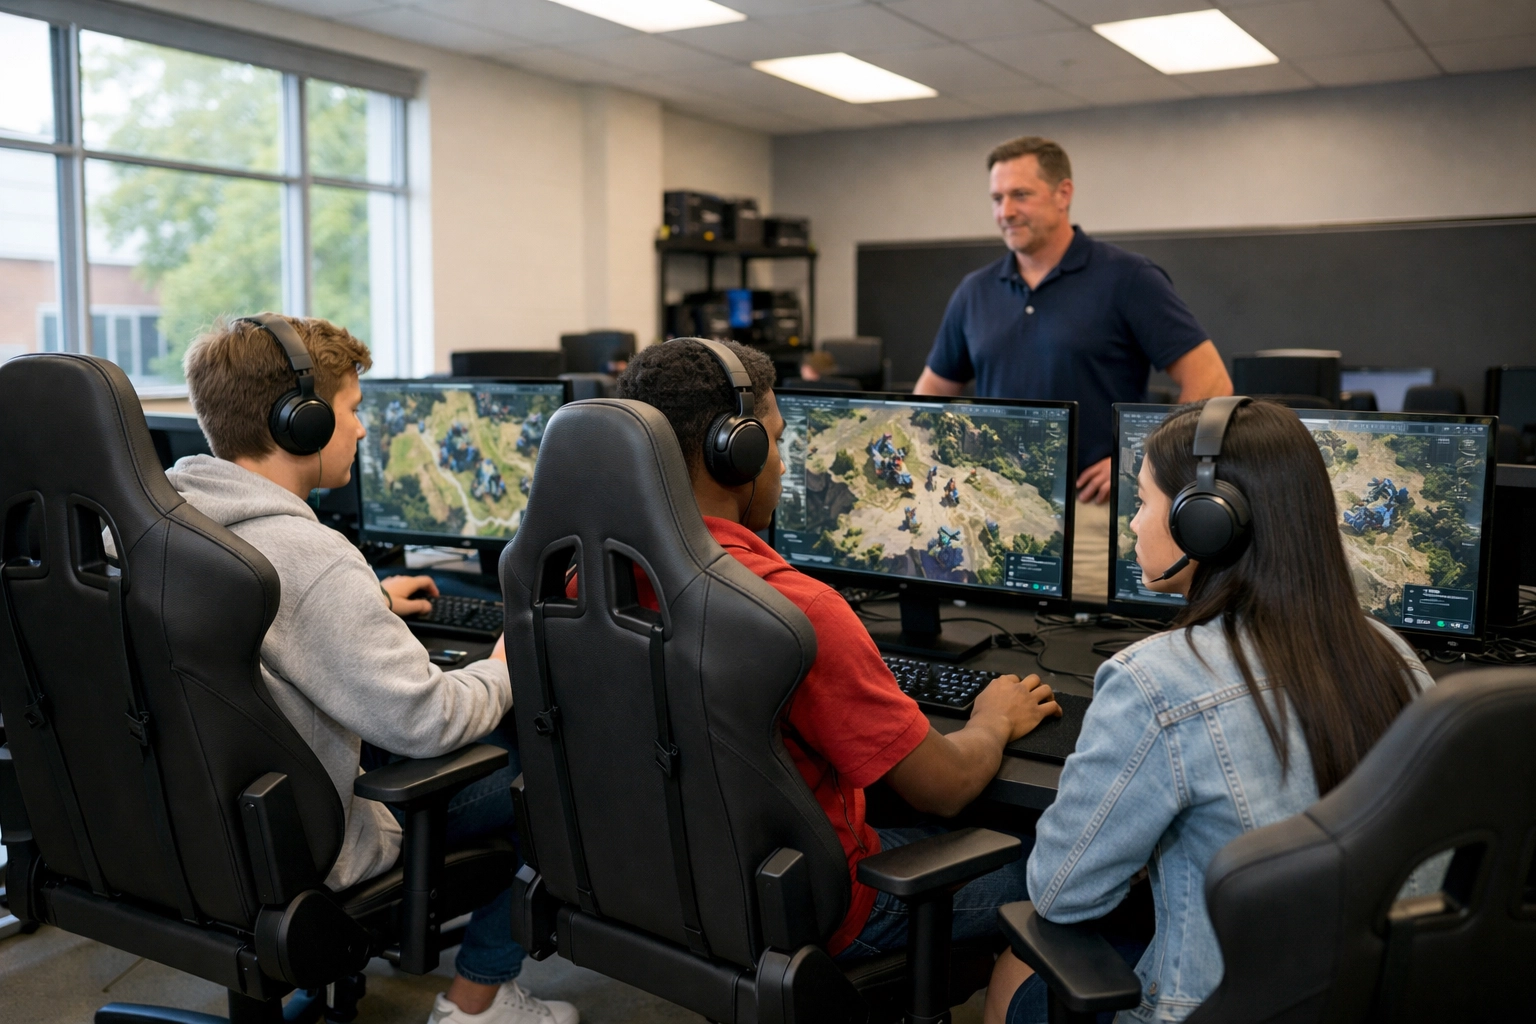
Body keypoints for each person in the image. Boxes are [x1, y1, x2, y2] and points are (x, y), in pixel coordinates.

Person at [613, 338, 1060, 989]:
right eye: (775, 440)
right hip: (821, 909)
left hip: (666, 886)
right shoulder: (793, 612)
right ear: (735, 453)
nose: (781, 461)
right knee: (1054, 870)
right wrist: (993, 718)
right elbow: (945, 786)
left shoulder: (585, 579)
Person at [176, 315, 576, 1024]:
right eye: (352, 410)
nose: (361, 430)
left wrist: (368, 601)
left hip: (194, 827)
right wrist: (507, 663)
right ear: (299, 421)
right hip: (315, 845)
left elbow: (257, 625)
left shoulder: (165, 521)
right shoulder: (312, 561)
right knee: (542, 776)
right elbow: (429, 719)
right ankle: (477, 1003)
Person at [992, 399, 1435, 1024]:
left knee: (1016, 965)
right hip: (1369, 1000)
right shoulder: (1394, 655)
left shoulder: (1154, 681)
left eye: (1142, 502)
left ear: (1204, 522)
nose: (1131, 524)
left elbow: (1061, 893)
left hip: (1209, 1008)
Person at [914, 136, 1233, 600]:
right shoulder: (974, 291)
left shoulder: (1128, 278)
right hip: (993, 512)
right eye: (997, 198)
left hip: (1091, 518)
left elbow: (1211, 381)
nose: (1006, 211)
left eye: (1021, 195)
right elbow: (928, 397)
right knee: (986, 629)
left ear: (1063, 193)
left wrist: (1137, 457)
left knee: (1081, 637)